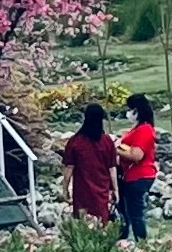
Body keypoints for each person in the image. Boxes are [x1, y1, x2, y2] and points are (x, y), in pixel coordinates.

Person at [62, 100, 120, 228]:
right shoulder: (107, 141)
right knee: (101, 223)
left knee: (83, 223)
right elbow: (112, 168)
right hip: (102, 190)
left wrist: (65, 188)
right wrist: (115, 189)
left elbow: (68, 169)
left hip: (82, 191)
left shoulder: (75, 142)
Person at [117, 93, 160, 241]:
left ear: (136, 110)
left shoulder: (144, 130)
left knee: (135, 214)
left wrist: (115, 149)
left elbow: (136, 155)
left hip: (139, 175)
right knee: (129, 212)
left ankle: (141, 243)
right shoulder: (139, 128)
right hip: (132, 175)